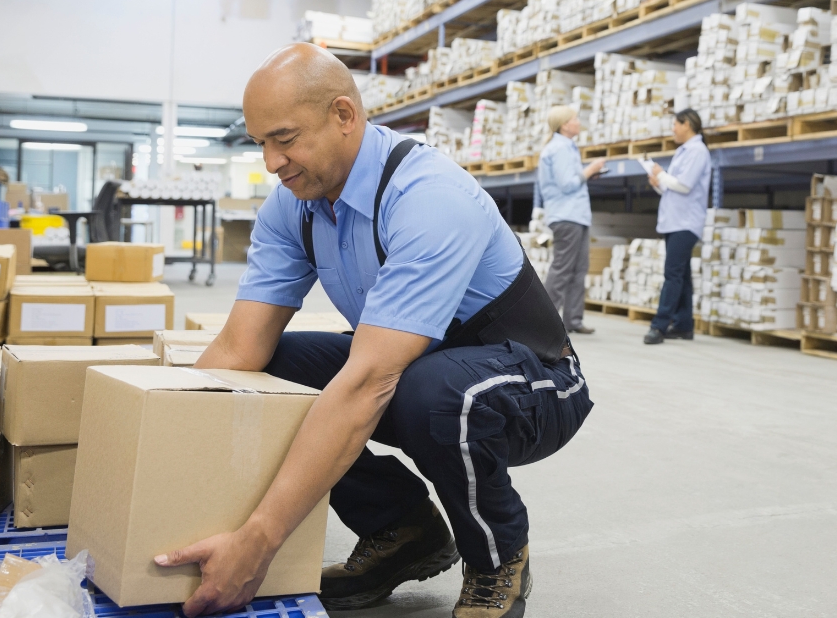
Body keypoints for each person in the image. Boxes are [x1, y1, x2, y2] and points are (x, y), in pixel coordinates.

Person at [159, 44, 592, 618]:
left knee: (430, 393)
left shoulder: (428, 198)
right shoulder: (294, 205)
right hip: (416, 365)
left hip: (532, 384)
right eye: (260, 142)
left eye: (284, 139)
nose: (270, 161)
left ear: (344, 114)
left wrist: (258, 542)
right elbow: (239, 350)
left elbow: (368, 382)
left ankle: (497, 560)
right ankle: (403, 531)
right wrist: (160, 449)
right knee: (272, 375)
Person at [642, 108, 711, 345]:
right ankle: (684, 325)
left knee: (672, 273)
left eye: (675, 124)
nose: (672, 129)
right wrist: (658, 182)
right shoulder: (685, 151)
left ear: (687, 125)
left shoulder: (697, 151)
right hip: (675, 220)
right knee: (682, 275)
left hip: (686, 222)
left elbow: (684, 185)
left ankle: (659, 326)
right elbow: (672, 188)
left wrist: (661, 174)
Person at [537, 105, 606, 335]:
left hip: (576, 214)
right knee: (563, 269)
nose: (578, 121)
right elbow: (567, 184)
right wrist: (590, 170)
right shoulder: (560, 148)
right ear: (565, 124)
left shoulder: (566, 147)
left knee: (578, 268)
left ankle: (573, 320)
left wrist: (587, 174)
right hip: (567, 215)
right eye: (575, 118)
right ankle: (543, 320)